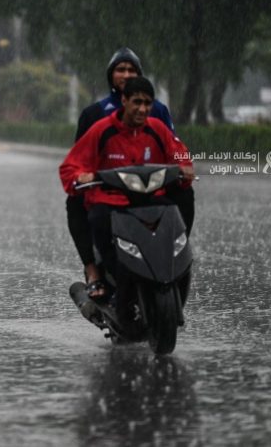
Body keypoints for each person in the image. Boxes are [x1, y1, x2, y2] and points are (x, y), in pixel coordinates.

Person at [66, 48, 189, 298]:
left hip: (151, 188)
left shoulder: (158, 115)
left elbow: (175, 148)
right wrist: (83, 176)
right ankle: (93, 270)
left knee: (186, 194)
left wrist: (183, 167)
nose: (142, 110)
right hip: (109, 191)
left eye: (131, 70)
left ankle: (172, 253)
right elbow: (78, 159)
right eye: (120, 70)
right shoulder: (96, 117)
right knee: (77, 202)